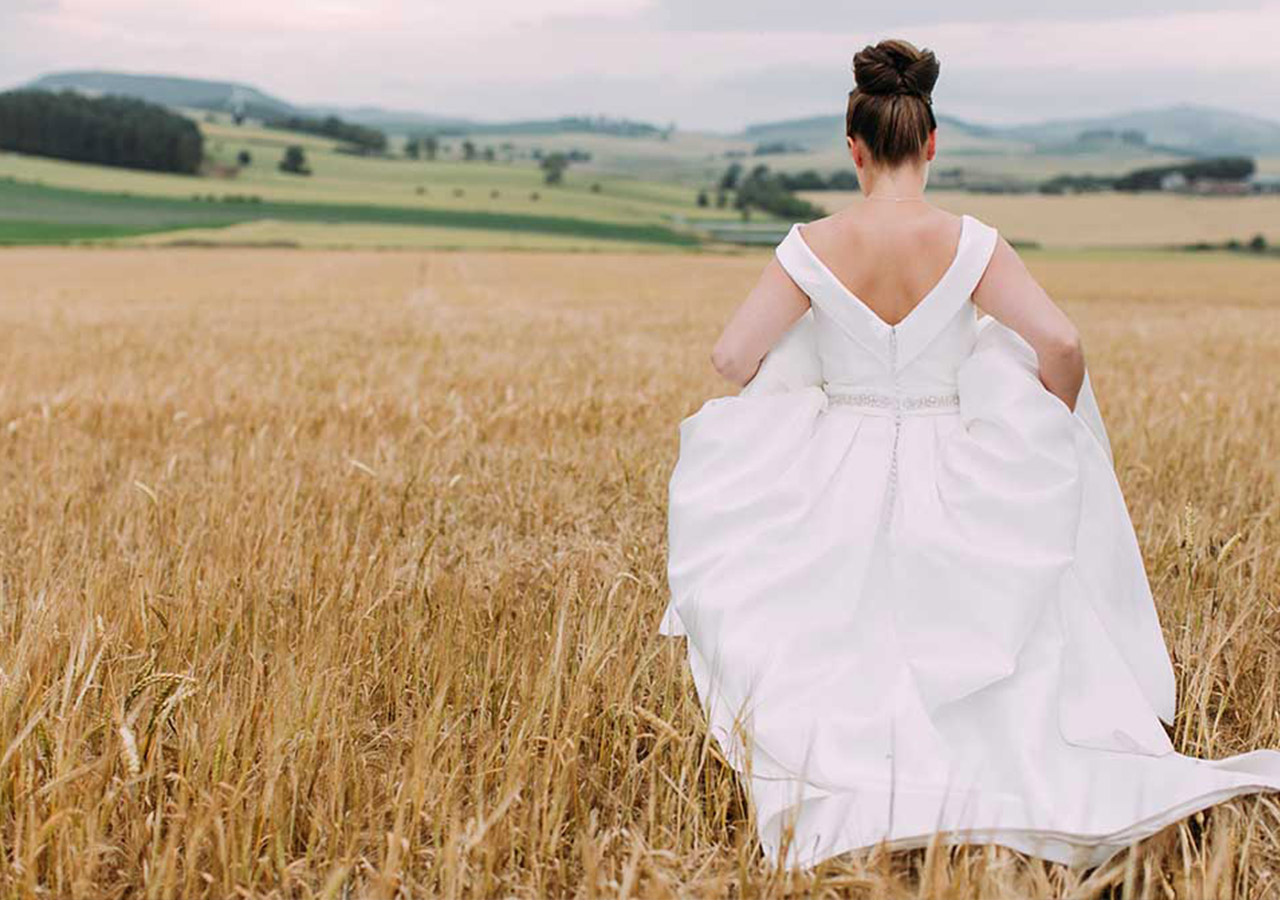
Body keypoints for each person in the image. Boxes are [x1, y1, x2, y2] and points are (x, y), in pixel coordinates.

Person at [658, 38, 1280, 870]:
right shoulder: (972, 242)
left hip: (839, 462)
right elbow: (1060, 342)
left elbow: (732, 360)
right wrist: (1038, 422)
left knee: (844, 620)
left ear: (853, 148)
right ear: (931, 142)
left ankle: (868, 783)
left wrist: (808, 373)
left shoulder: (809, 246)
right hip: (954, 458)